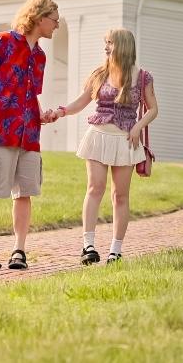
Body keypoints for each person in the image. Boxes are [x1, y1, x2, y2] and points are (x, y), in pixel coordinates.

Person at [0, 0, 60, 270]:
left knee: (24, 193)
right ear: (39, 18)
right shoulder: (2, 42)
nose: (57, 25)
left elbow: (29, 93)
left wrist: (40, 114)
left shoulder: (40, 56)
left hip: (29, 135)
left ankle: (19, 251)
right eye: (54, 20)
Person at [52, 28, 158, 265]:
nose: (106, 47)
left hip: (126, 140)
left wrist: (138, 126)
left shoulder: (143, 77)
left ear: (123, 45)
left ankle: (115, 251)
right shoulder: (100, 74)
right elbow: (82, 102)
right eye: (106, 42)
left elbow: (153, 109)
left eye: (110, 42)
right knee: (94, 188)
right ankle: (88, 246)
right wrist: (61, 112)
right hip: (98, 136)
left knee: (120, 196)